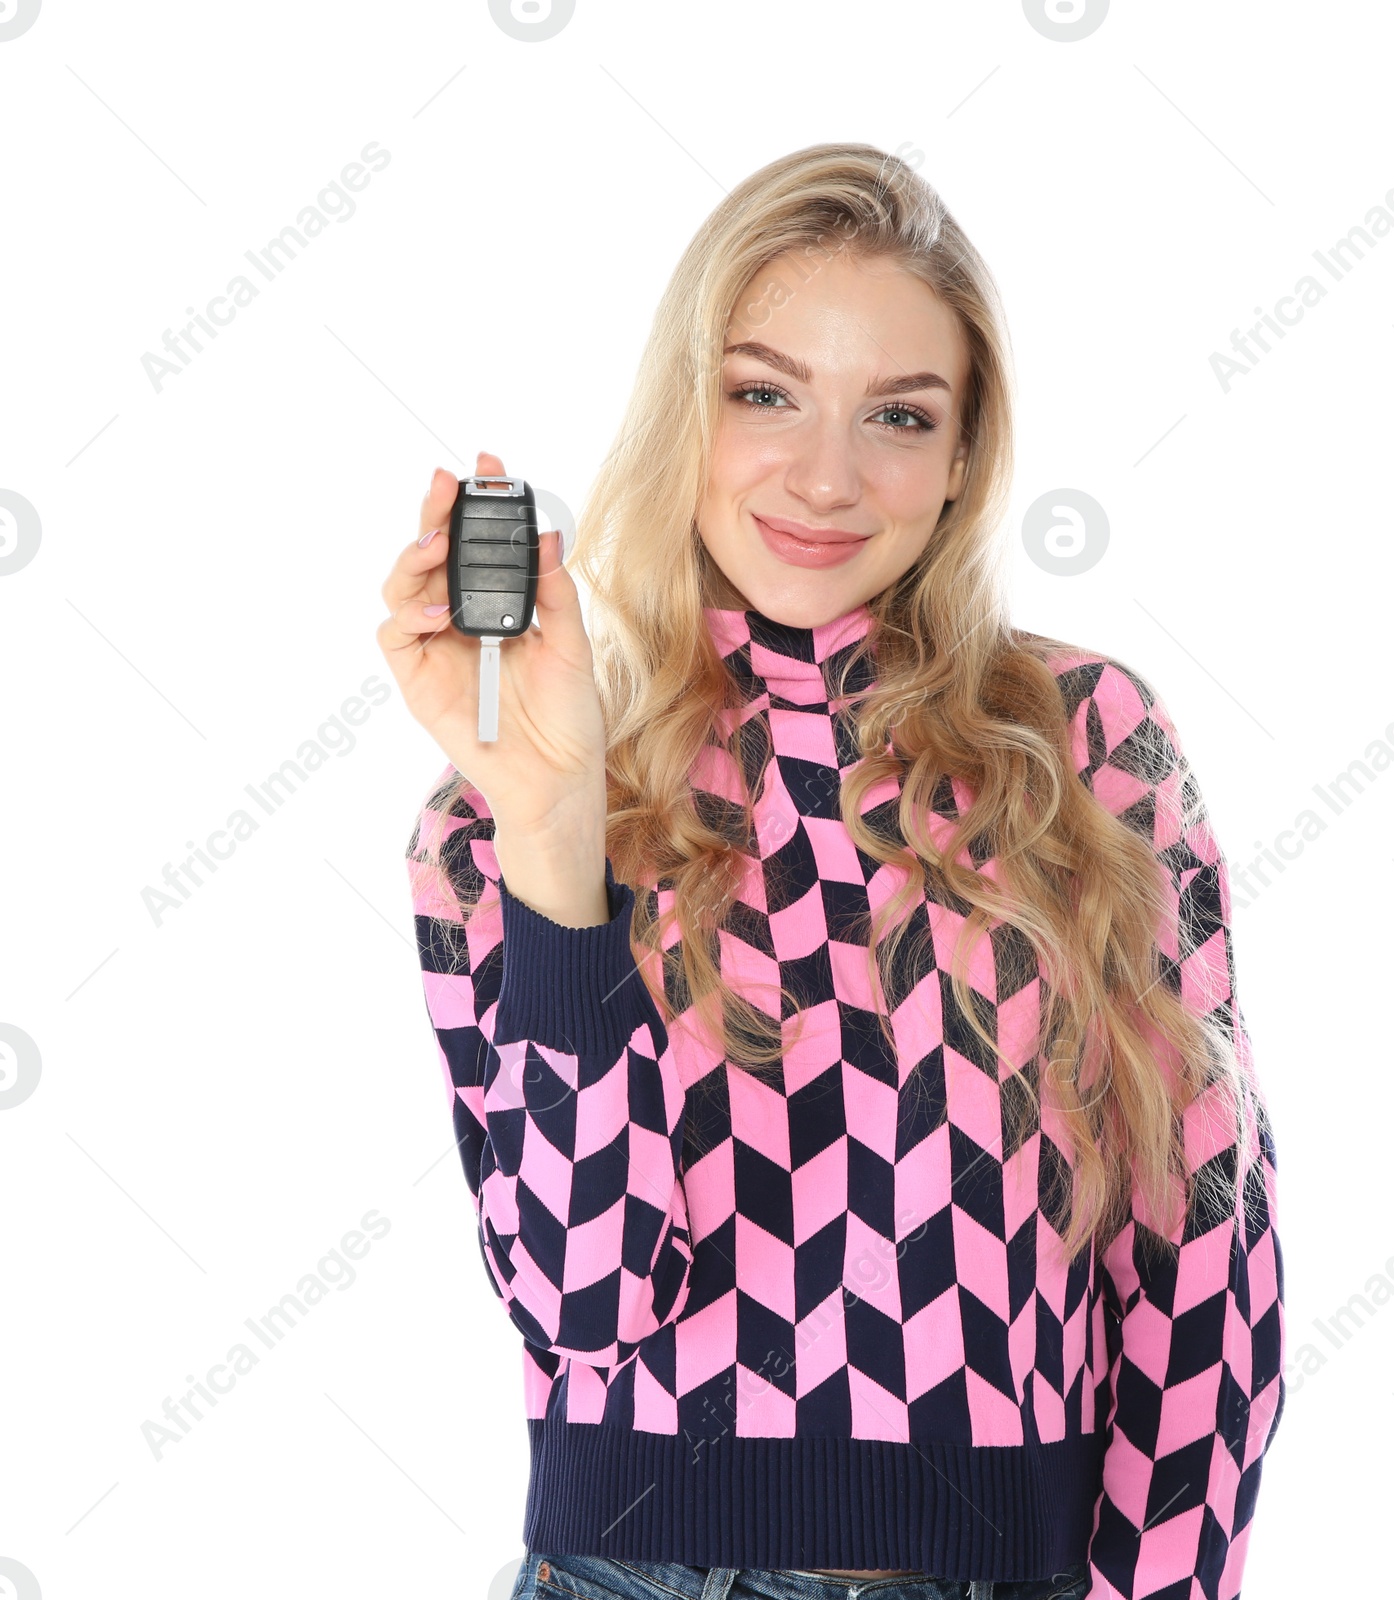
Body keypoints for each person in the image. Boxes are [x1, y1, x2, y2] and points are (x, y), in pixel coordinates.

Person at [378, 143, 1286, 1600]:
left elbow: (1202, 1261)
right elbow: (582, 1295)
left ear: (963, 460)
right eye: (764, 394)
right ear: (687, 412)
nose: (824, 475)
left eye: (898, 417)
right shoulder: (504, 812)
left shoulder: (1085, 748)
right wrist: (554, 832)